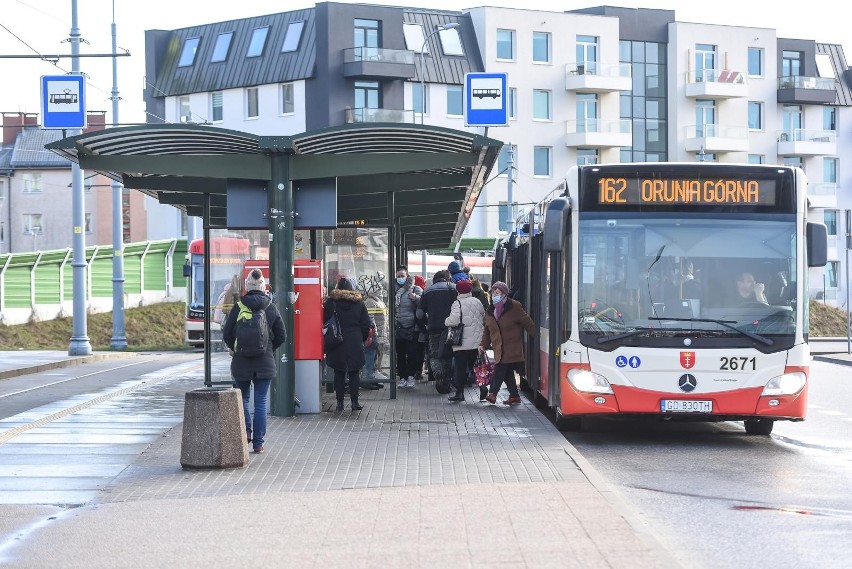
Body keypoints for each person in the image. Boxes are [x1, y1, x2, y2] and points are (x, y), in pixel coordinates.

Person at [222, 269, 286, 454]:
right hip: (264, 361)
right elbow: (282, 335)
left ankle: (246, 433)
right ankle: (258, 443)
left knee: (242, 400)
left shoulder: (239, 306)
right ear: (263, 286)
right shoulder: (270, 307)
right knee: (260, 402)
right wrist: (268, 348)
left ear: (247, 286)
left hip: (241, 361)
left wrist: (236, 348)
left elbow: (227, 334)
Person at [479, 281, 535, 406]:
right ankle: (514, 396)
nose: (495, 294)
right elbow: (487, 331)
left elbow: (528, 323)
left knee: (499, 369)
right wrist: (483, 344)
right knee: (507, 372)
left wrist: (539, 338)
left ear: (504, 294)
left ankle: (492, 393)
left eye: (497, 292)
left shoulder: (514, 306)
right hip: (498, 348)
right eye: (493, 292)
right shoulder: (490, 309)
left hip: (511, 347)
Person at [323, 277, 371, 411]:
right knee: (354, 372)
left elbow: (325, 320)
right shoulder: (359, 302)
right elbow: (365, 323)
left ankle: (339, 403)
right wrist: (361, 337)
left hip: (337, 340)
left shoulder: (331, 302)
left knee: (339, 372)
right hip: (354, 339)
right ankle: (355, 402)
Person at [444, 279, 485, 402]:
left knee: (460, 368)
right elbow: (483, 317)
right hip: (476, 341)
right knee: (475, 366)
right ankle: (483, 388)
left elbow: (454, 321)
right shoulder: (477, 301)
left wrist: (446, 321)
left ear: (458, 290)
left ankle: (459, 393)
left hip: (461, 342)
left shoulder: (457, 303)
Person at [416, 269, 457, 389]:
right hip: (452, 328)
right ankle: (448, 380)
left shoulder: (427, 291)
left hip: (434, 329)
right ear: (448, 278)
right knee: (450, 354)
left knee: (434, 354)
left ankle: (439, 375)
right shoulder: (455, 288)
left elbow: (419, 314)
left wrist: (425, 324)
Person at [394, 265, 423, 389]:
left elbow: (423, 302)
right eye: (398, 276)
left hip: (412, 327)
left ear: (407, 276)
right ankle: (402, 377)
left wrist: (415, 298)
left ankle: (411, 376)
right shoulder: (394, 290)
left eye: (402, 276)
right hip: (398, 326)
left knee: (412, 353)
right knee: (400, 354)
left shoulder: (415, 289)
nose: (400, 278)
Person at [362, 291, 389, 389]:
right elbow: (370, 318)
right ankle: (367, 378)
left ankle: (371, 376)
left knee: (373, 355)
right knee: (369, 356)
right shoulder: (370, 301)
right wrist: (374, 332)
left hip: (379, 332)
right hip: (373, 333)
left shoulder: (378, 300)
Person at [413, 275, 429, 382]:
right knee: (421, 351)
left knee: (416, 351)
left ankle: (416, 371)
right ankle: (418, 371)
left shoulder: (414, 293)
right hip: (421, 329)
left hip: (414, 328)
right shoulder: (423, 293)